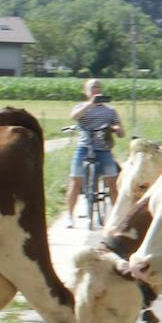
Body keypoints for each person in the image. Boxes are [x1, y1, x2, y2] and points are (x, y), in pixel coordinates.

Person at [67, 80, 124, 225]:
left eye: (99, 87)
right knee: (75, 180)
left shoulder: (110, 110)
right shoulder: (81, 107)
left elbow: (121, 130)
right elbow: (74, 116)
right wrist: (90, 104)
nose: (96, 90)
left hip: (103, 148)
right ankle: (70, 216)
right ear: (86, 91)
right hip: (84, 147)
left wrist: (116, 128)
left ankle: (117, 216)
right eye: (93, 88)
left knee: (112, 181)